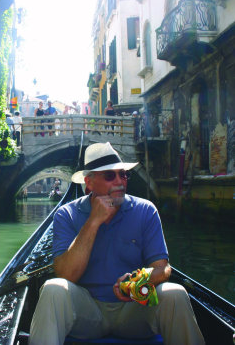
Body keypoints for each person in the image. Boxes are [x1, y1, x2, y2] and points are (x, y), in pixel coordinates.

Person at [29, 142, 204, 345]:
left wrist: (137, 282)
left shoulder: (146, 210)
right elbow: (67, 275)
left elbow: (163, 269)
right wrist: (94, 220)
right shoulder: (66, 214)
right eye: (110, 176)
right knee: (53, 288)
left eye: (123, 174)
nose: (120, 181)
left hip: (134, 308)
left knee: (175, 294)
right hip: (87, 311)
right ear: (89, 183)